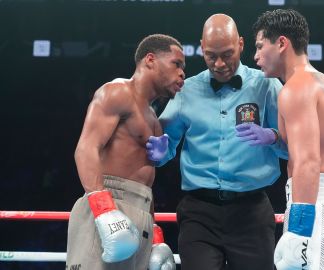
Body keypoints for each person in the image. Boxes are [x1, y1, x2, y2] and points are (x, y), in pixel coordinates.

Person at [146, 14, 287, 270]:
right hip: (199, 212)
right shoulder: (186, 90)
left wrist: (273, 136)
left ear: (241, 45)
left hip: (251, 211)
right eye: (211, 55)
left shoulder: (267, 86)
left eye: (227, 54)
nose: (220, 63)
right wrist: (160, 152)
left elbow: (293, 148)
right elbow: (164, 146)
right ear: (202, 48)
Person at [252, 9, 324, 269]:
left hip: (317, 210)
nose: (256, 56)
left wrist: (299, 233)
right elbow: (314, 146)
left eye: (260, 46)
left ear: (281, 43)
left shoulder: (296, 88)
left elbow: (308, 161)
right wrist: (272, 137)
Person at [66, 34, 184, 270]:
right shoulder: (117, 92)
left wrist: (155, 234)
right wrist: (104, 209)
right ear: (150, 59)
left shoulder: (154, 119)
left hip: (141, 213)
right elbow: (86, 148)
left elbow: (145, 183)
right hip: (107, 202)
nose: (182, 74)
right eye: (176, 64)